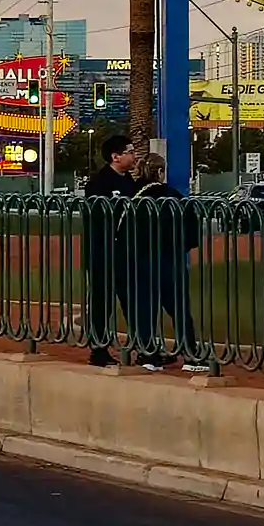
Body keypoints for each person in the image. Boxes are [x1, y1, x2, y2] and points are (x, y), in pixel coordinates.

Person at [131, 151, 209, 373]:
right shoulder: (172, 195)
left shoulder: (134, 195)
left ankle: (148, 355)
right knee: (179, 309)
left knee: (146, 307)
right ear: (160, 171)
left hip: (141, 258)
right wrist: (182, 246)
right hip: (170, 258)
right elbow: (192, 228)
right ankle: (190, 356)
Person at [82, 136, 138, 368]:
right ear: (115, 156)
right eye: (129, 152)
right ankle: (98, 349)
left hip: (127, 253)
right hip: (103, 253)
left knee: (132, 301)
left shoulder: (131, 183)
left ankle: (143, 347)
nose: (134, 155)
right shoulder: (98, 183)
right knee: (102, 302)